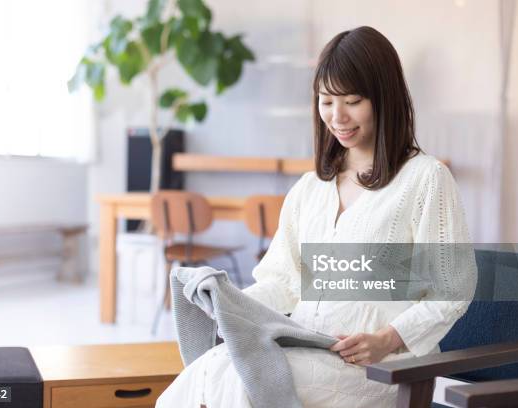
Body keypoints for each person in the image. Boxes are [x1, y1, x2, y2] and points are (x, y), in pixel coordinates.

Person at [156, 26, 476, 408]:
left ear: (384, 97)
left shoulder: (425, 179)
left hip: (382, 366)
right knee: (199, 376)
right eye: (326, 101)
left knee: (236, 382)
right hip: (307, 350)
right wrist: (229, 305)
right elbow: (282, 281)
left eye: (352, 100)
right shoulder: (310, 189)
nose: (337, 116)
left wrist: (386, 339)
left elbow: (451, 291)